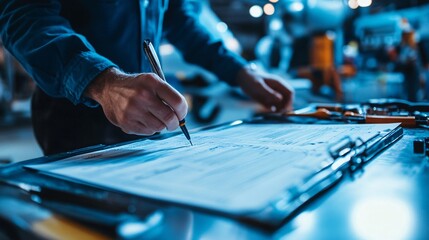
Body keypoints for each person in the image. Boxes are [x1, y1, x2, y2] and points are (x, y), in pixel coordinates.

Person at [0, 0, 294, 155]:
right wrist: (102, 83)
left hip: (150, 121)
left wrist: (242, 72)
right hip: (75, 122)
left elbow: (180, 21)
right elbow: (23, 15)